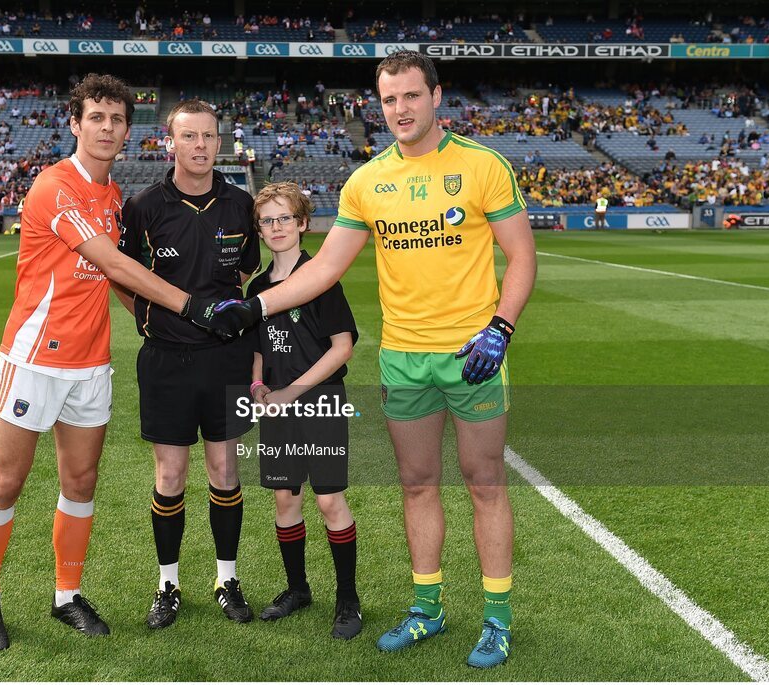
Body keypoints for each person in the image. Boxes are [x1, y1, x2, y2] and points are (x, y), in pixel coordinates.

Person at [211, 50, 536, 668]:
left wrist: (501, 328)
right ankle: (427, 608)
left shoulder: (481, 165)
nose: (400, 110)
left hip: (474, 352)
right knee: (417, 485)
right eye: (389, 100)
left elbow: (521, 255)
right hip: (404, 359)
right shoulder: (367, 182)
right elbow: (326, 268)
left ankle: (496, 618)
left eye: (411, 96)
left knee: (485, 482)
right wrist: (254, 311)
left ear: (436, 96)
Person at [0, 74, 226, 652]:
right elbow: (109, 259)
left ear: (127, 130)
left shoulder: (114, 199)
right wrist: (190, 307)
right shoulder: (54, 187)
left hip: (90, 361)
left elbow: (114, 280)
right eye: (96, 118)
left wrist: (157, 321)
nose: (106, 129)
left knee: (81, 481)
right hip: (35, 357)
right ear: (75, 123)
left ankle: (67, 596)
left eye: (116, 120)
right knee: (7, 482)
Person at [115, 99, 260, 630]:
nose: (200, 146)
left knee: (225, 469)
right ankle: (168, 585)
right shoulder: (145, 206)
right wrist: (154, 322)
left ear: (221, 143)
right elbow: (123, 278)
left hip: (226, 359)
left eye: (209, 137)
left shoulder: (240, 205)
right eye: (189, 136)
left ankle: (227, 578)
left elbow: (241, 280)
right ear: (170, 142)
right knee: (171, 474)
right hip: (166, 362)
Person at [246, 182, 362, 640]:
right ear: (259, 229)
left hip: (322, 402)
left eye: (284, 219)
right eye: (267, 221)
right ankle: (298, 589)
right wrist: (258, 384)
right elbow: (256, 349)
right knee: (285, 499)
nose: (276, 228)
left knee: (329, 500)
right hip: (276, 408)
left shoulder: (321, 277)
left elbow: (343, 346)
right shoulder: (258, 288)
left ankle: (348, 600)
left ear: (301, 224)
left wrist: (292, 391)